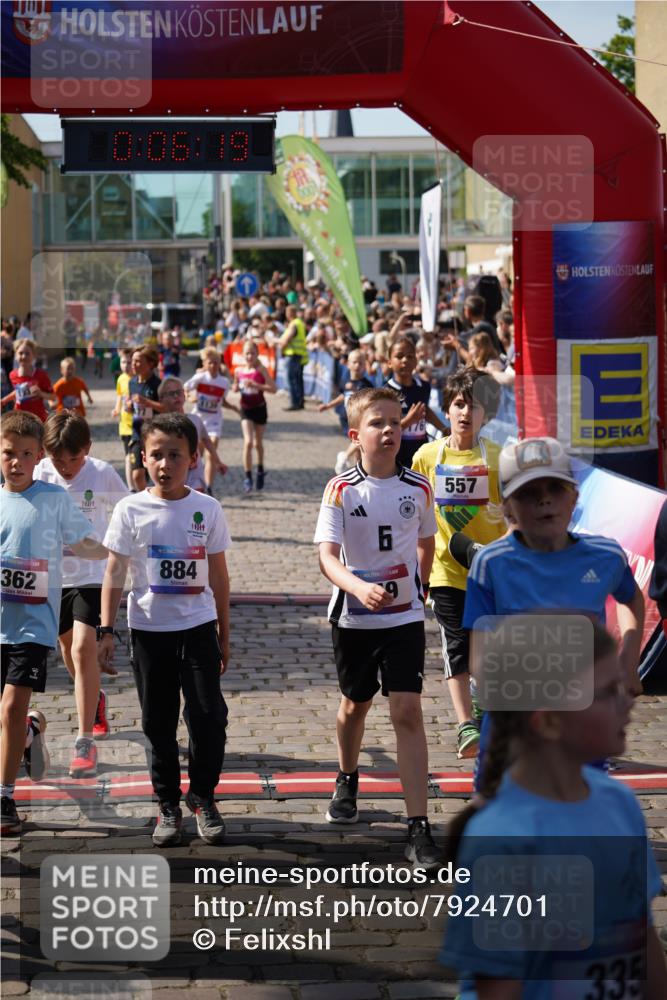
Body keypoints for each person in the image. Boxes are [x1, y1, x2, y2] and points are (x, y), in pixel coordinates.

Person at [441, 619, 667, 999]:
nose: (629, 695)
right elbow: (499, 989)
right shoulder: (502, 839)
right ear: (547, 720)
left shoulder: (619, 803)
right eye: (607, 690)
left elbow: (642, 937)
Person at [466, 436, 645, 784]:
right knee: (502, 828)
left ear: (575, 496)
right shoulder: (492, 564)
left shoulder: (605, 556)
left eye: (555, 488)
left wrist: (628, 664)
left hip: (584, 727)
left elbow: (632, 599)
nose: (544, 499)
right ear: (506, 507)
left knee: (577, 826)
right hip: (511, 727)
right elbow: (480, 659)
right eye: (529, 492)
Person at [314, 386, 442, 868]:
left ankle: (418, 826)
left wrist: (420, 586)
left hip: (404, 617)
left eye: (396, 422)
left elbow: (426, 543)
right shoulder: (341, 489)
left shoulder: (418, 488)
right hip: (354, 617)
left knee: (406, 710)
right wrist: (356, 586)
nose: (389, 430)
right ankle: (347, 776)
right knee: (355, 704)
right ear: (356, 434)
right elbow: (327, 558)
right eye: (377, 423)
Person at [98, 413, 232, 847]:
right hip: (149, 630)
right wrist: (106, 629)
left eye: (175, 455)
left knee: (209, 717)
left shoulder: (206, 508)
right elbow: (115, 569)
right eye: (157, 455)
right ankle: (167, 803)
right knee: (158, 721)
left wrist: (224, 631)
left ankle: (203, 797)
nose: (165, 464)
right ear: (143, 458)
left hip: (197, 627)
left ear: (192, 458)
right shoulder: (130, 508)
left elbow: (219, 575)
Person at [0, 411, 108, 835]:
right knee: (9, 715)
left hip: (32, 625)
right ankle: (30, 731)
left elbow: (83, 542)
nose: (16, 462)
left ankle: (4, 797)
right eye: (9, 453)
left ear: (38, 456)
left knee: (11, 704)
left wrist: (115, 552)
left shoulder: (54, 498)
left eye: (26, 454)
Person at [411, 368, 505, 759]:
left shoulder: (499, 459)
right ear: (447, 409)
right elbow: (413, 513)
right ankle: (466, 722)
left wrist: (506, 515)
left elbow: (519, 511)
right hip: (445, 570)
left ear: (488, 414)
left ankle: (484, 704)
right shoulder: (427, 456)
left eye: (475, 406)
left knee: (486, 650)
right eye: (459, 404)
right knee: (455, 645)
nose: (466, 413)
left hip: (490, 572)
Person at [35, 412, 127, 776]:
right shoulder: (40, 473)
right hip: (52, 578)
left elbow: (125, 511)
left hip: (92, 573)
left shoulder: (102, 473)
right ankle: (94, 699)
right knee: (68, 649)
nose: (67, 467)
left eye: (74, 458)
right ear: (46, 452)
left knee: (82, 647)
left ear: (87, 450)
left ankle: (84, 739)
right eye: (59, 459)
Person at [385, 336, 447, 467]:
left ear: (416, 361)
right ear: (389, 362)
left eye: (410, 356)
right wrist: (409, 420)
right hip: (397, 453)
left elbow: (424, 410)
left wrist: (442, 427)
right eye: (399, 356)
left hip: (420, 450)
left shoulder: (423, 386)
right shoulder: (386, 391)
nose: (405, 360)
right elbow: (386, 429)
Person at [184, 347, 239, 495]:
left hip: (215, 420)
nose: (213, 366)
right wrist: (190, 398)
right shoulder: (200, 378)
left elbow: (222, 401)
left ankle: (208, 486)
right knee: (197, 454)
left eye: (216, 363)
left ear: (220, 363)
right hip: (199, 419)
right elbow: (185, 388)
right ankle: (196, 483)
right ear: (205, 364)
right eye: (210, 363)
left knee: (212, 447)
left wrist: (234, 408)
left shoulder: (224, 382)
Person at [157, 376, 227, 493]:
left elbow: (207, 441)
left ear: (184, 396)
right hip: (172, 478)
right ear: (161, 399)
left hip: (195, 478)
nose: (176, 396)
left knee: (196, 505)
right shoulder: (159, 426)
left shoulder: (195, 420)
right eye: (171, 393)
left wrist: (217, 461)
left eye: (179, 392)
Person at [231, 338, 277, 494]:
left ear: (257, 354)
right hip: (245, 409)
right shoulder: (239, 371)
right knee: (248, 442)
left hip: (260, 408)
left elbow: (273, 388)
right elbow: (235, 386)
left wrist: (256, 385)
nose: (249, 356)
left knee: (257, 443)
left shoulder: (261, 370)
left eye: (252, 353)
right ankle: (248, 477)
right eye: (247, 354)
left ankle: (260, 468)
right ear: (243, 355)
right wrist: (236, 387)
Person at [318, 349, 374, 474]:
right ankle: (358, 468)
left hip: (360, 419)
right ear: (348, 364)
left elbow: (370, 402)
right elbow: (343, 396)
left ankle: (347, 457)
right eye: (354, 362)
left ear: (365, 365)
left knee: (360, 441)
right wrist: (328, 406)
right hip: (346, 418)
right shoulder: (345, 381)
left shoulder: (366, 384)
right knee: (359, 446)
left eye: (361, 363)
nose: (357, 366)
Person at [128, 345, 163, 493]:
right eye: (132, 361)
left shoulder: (158, 384)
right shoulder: (132, 383)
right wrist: (129, 406)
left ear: (150, 364)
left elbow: (166, 408)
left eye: (138, 361)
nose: (134, 364)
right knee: (137, 475)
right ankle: (145, 499)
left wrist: (147, 402)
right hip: (137, 434)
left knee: (155, 473)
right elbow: (134, 407)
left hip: (155, 435)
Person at [2, 340, 55, 422]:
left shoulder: (41, 375)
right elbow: (17, 391)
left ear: (34, 356)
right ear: (15, 355)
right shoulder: (13, 374)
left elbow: (52, 396)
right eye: (20, 353)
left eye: (27, 353)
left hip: (37, 417)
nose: (23, 356)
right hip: (20, 416)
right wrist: (4, 400)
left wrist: (40, 393)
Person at [111, 347, 134, 491]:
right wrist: (116, 409)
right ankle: (131, 487)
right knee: (128, 456)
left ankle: (142, 480)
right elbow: (119, 397)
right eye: (123, 362)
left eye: (129, 362)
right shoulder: (121, 379)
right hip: (125, 425)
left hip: (139, 423)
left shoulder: (138, 378)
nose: (126, 365)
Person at [279, 305, 308, 410]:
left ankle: (295, 403)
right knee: (298, 380)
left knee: (292, 380)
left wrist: (282, 349)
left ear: (289, 313)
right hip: (298, 355)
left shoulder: (294, 324)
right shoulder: (300, 323)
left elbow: (286, 340)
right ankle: (300, 403)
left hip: (293, 355)